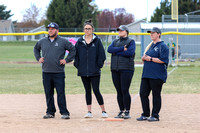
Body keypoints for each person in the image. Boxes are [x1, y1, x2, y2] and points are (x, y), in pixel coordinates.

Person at [34, 22, 76, 119]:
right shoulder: (42, 41)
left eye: (52, 29)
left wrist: (67, 60)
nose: (50, 30)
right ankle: (50, 112)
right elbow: (36, 48)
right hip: (46, 72)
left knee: (60, 93)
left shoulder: (63, 41)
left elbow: (73, 50)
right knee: (48, 93)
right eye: (49, 29)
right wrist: (38, 58)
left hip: (58, 72)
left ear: (57, 30)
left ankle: (64, 112)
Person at [74, 20, 108, 118]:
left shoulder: (97, 41)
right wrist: (78, 65)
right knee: (87, 90)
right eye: (85, 29)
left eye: (89, 29)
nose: (87, 30)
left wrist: (98, 66)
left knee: (96, 90)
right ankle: (89, 112)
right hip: (83, 71)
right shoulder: (80, 41)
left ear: (92, 29)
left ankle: (103, 111)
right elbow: (76, 55)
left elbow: (102, 55)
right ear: (83, 30)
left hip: (95, 71)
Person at [136, 27, 169, 122]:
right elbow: (147, 58)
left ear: (158, 34)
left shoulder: (163, 46)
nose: (151, 34)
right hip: (146, 74)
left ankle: (155, 115)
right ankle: (145, 114)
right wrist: (144, 58)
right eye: (150, 33)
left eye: (153, 33)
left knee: (156, 95)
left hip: (157, 75)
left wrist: (150, 59)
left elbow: (163, 60)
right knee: (143, 93)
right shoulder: (150, 45)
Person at [107, 25, 136, 119]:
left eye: (121, 30)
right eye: (118, 30)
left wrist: (116, 52)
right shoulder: (115, 41)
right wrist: (121, 49)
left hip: (127, 68)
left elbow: (130, 53)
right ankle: (121, 110)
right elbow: (109, 49)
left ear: (126, 31)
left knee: (124, 89)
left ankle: (127, 111)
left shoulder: (131, 41)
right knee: (118, 91)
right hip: (115, 68)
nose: (119, 31)